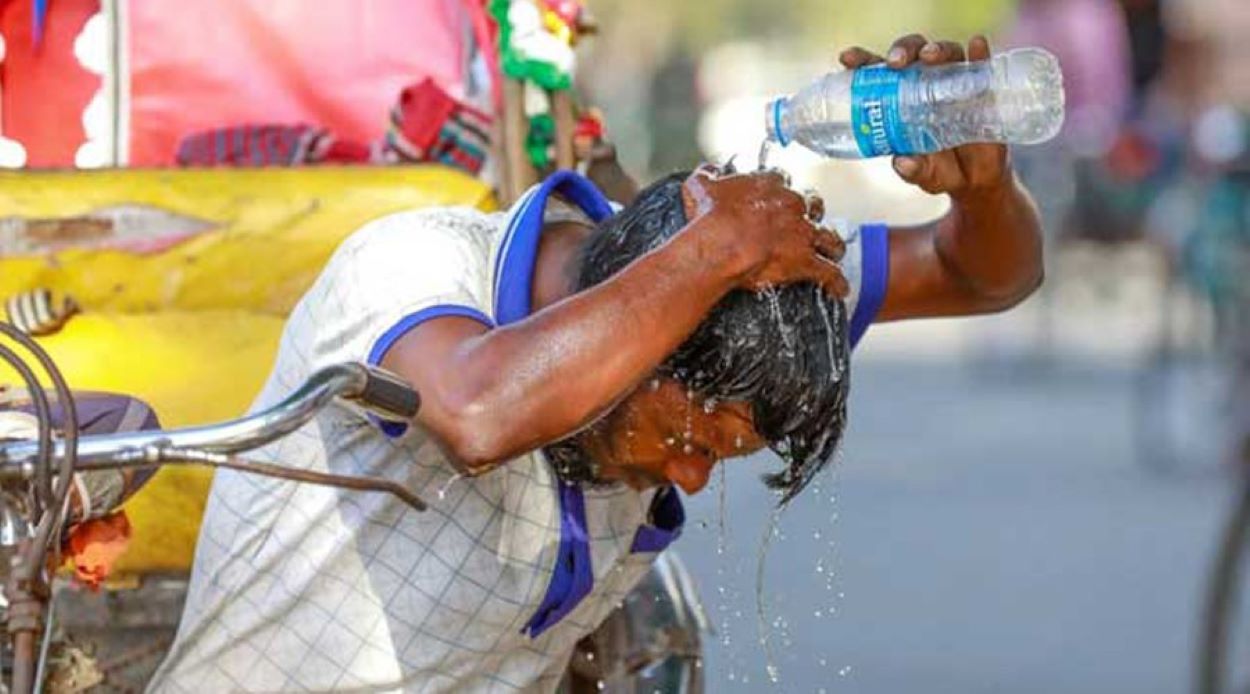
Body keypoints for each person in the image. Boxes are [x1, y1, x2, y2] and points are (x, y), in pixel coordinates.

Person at [149, 34, 1042, 693]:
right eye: (692, 436)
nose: (689, 478)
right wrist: (710, 254)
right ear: (651, 330)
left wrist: (982, 186)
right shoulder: (409, 267)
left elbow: (985, 274)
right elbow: (480, 414)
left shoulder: (745, 296)